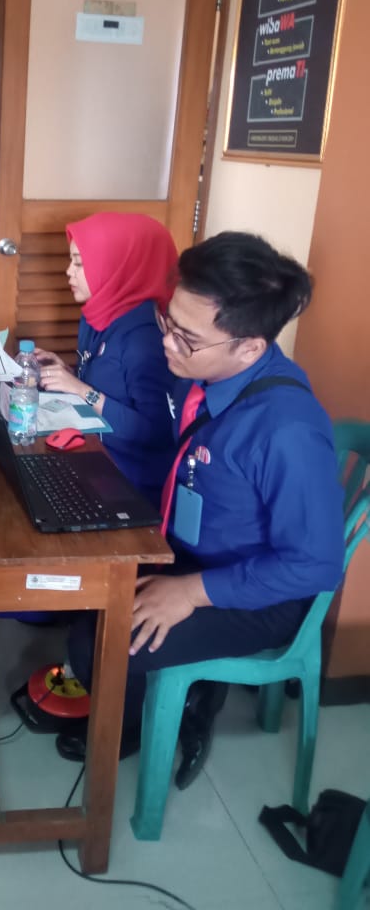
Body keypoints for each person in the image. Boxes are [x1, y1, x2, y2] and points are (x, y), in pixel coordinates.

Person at [57, 231, 345, 784]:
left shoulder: (287, 430)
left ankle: (158, 719)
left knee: (100, 642)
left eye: (186, 338)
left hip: (257, 589)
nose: (167, 344)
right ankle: (181, 688)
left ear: (250, 347)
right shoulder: (200, 374)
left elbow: (315, 565)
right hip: (189, 546)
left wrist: (191, 592)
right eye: (167, 322)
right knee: (79, 585)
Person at [36, 211, 178, 504]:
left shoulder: (145, 340)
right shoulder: (98, 313)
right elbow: (110, 385)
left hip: (128, 482)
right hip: (93, 452)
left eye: (79, 263)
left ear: (116, 266)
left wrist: (80, 390)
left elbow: (156, 432)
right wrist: (66, 374)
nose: (68, 272)